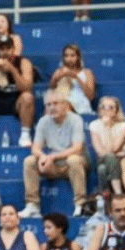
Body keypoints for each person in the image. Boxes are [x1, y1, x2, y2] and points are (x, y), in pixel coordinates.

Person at [20, 89, 89, 219]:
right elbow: (36, 148)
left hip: (75, 164)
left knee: (73, 159)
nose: (52, 107)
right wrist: (42, 157)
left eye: (56, 103)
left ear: (65, 105)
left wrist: (52, 156)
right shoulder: (43, 121)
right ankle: (32, 205)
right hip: (54, 165)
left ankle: (81, 204)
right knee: (29, 161)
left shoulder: (75, 119)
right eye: (48, 105)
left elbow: (77, 148)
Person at [91, 96, 125, 202]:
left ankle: (107, 199)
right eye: (103, 107)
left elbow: (114, 148)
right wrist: (105, 126)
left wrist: (107, 127)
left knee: (102, 170)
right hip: (102, 159)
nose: (106, 110)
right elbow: (100, 152)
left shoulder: (124, 126)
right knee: (109, 157)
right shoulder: (94, 125)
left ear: (117, 111)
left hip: (119, 162)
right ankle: (118, 194)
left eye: (110, 108)